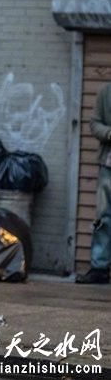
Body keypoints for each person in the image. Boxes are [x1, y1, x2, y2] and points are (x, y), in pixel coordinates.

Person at [76, 83, 111, 284]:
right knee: (103, 218)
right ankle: (99, 268)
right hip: (108, 166)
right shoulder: (106, 92)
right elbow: (95, 123)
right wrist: (108, 133)